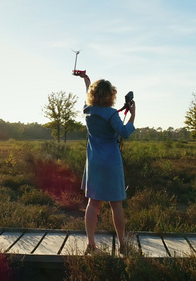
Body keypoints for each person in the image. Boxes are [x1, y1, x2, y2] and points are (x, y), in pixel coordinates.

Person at [76, 71, 136, 255]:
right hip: (111, 162)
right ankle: (122, 245)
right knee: (116, 204)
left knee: (93, 204)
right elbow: (124, 133)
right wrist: (133, 114)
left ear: (92, 95)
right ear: (111, 95)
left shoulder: (88, 111)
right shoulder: (111, 114)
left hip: (94, 162)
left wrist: (87, 83)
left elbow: (87, 99)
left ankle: (91, 244)